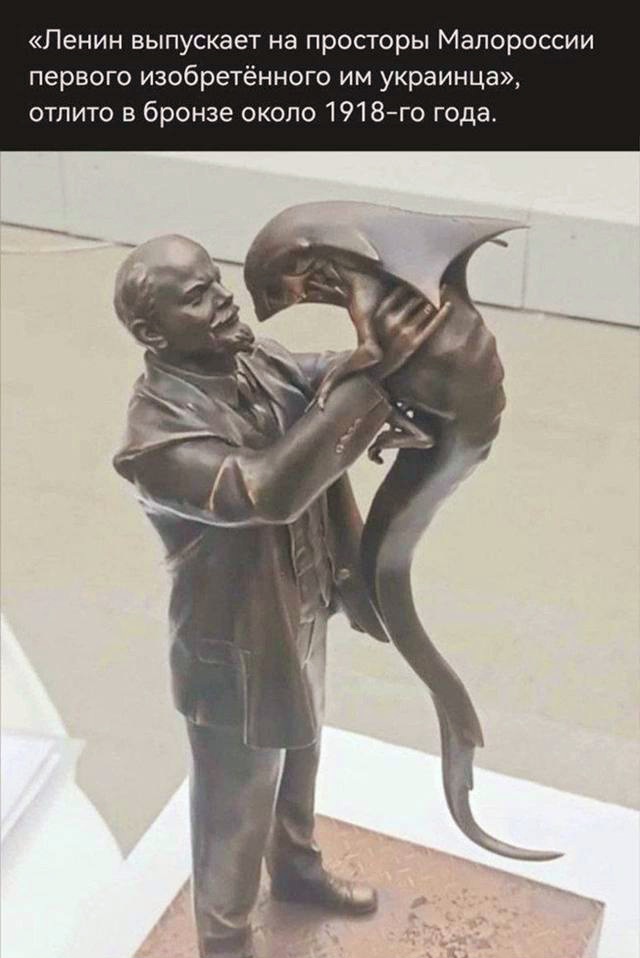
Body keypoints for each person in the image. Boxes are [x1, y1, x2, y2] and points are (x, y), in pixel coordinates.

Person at [112, 234, 438, 958]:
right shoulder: (155, 442)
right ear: (153, 332)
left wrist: (381, 347)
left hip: (302, 608)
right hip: (233, 650)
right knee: (235, 805)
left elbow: (322, 375)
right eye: (197, 296)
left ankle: (295, 870)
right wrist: (366, 391)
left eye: (215, 280)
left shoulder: (253, 360)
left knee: (302, 749)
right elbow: (268, 491)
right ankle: (224, 939)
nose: (223, 298)